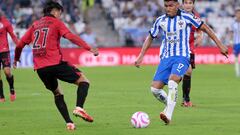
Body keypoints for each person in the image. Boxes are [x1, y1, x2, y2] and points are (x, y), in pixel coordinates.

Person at [134, 0, 228, 125]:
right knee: (155, 90)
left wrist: (220, 45)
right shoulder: (160, 20)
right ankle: (170, 103)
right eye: (166, 6)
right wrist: (141, 55)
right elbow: (150, 37)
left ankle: (168, 114)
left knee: (173, 81)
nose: (168, 8)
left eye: (171, 5)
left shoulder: (187, 17)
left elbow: (205, 28)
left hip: (182, 56)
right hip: (166, 58)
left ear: (177, 5)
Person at [13, 1, 99, 130]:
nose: (60, 15)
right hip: (55, 63)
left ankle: (69, 123)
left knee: (57, 93)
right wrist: (88, 47)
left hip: (41, 68)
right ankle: (79, 108)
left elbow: (20, 45)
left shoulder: (35, 25)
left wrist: (16, 59)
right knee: (84, 81)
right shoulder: (56, 22)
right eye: (59, 12)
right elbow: (69, 36)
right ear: (54, 11)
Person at [181, 0, 203, 107]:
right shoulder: (178, 15)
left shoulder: (196, 16)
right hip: (179, 48)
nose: (188, 5)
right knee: (187, 71)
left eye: (190, 3)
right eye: (186, 3)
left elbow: (200, 29)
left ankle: (185, 99)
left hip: (190, 48)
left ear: (193, 4)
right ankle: (186, 99)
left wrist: (200, 36)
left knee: (188, 73)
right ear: (182, 4)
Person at [0, 11, 19, 102]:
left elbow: (12, 35)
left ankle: (12, 89)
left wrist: (19, 45)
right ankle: (1, 95)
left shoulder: (6, 22)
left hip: (4, 51)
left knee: (7, 72)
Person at [231, 7, 240, 77]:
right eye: (237, 13)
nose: (238, 14)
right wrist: (231, 41)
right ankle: (237, 72)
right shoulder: (233, 23)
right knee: (236, 58)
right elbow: (231, 32)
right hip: (236, 43)